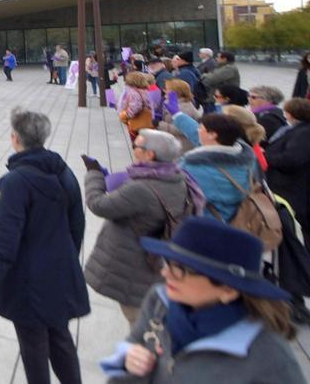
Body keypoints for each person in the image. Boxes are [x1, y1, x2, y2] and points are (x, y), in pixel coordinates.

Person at [99, 218, 305, 383]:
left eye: (180, 269)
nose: (165, 272)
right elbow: (128, 352)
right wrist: (128, 362)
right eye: (168, 262)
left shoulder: (269, 356)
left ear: (228, 290)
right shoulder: (160, 301)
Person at [0, 108, 88, 384]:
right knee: (60, 338)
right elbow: (77, 224)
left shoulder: (15, 182)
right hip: (59, 272)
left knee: (33, 346)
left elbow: (3, 239)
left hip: (29, 281)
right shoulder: (63, 171)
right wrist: (65, 257)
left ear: (15, 138)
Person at [83, 130, 197, 327]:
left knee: (141, 325)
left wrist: (93, 175)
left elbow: (98, 205)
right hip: (155, 260)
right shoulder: (176, 177)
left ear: (150, 154)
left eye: (137, 146)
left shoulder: (142, 188)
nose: (134, 149)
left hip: (135, 265)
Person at [178, 113, 257, 222]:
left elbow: (177, 196)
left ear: (212, 135)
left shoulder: (195, 167)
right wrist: (178, 116)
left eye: (200, 128)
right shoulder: (246, 159)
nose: (197, 131)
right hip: (235, 217)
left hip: (206, 222)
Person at [264, 98, 310, 234]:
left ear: (291, 113)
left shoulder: (303, 133)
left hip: (293, 188)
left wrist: (266, 158)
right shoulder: (299, 130)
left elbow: (292, 159)